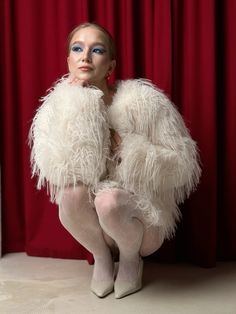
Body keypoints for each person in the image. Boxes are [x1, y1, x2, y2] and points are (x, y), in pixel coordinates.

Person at [29, 22, 201, 299]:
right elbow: (60, 169)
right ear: (69, 60)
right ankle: (102, 257)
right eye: (77, 48)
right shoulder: (57, 107)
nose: (85, 56)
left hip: (142, 222)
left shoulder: (144, 101)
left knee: (108, 199)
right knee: (71, 195)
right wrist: (80, 108)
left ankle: (131, 261)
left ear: (110, 66)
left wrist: (130, 150)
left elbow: (183, 163)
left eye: (96, 50)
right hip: (97, 226)